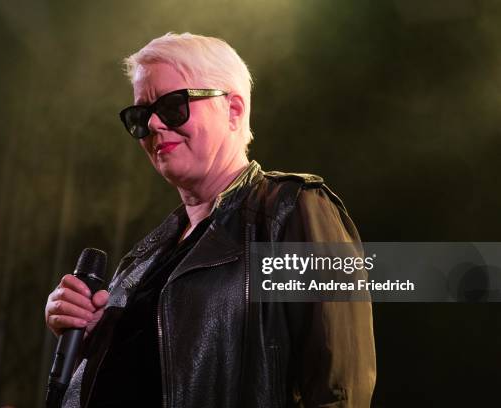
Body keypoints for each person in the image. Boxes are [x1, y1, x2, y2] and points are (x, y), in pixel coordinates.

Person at [45, 32, 376, 408]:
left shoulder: (291, 209)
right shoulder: (145, 257)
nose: (153, 124)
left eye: (173, 106)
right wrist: (95, 336)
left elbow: (339, 388)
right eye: (141, 115)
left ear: (233, 109)